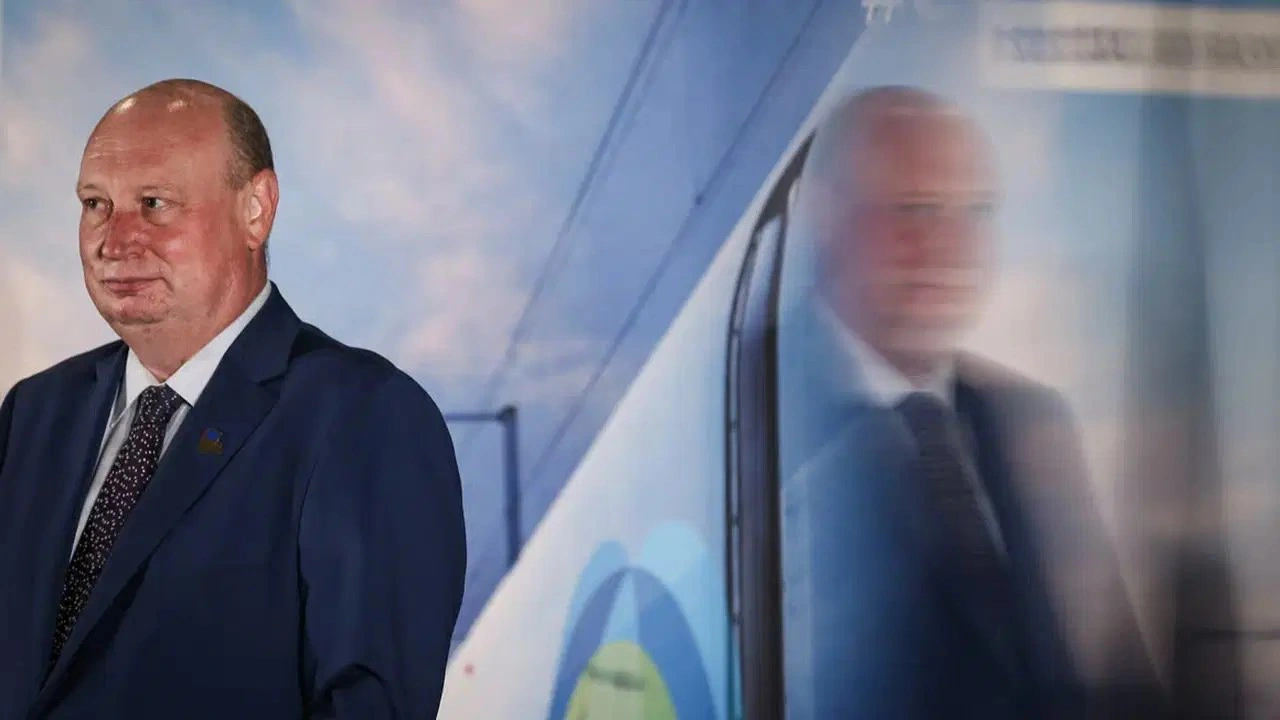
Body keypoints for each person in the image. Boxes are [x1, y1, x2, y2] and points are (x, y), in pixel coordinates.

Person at [0, 79, 466, 719]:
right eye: (95, 204)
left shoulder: (362, 415)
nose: (115, 240)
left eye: (155, 204)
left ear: (256, 209)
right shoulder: (34, 413)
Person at [777, 86, 1165, 718]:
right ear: (826, 214)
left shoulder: (1030, 420)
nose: (950, 246)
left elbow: (1117, 679)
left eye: (977, 213)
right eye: (916, 209)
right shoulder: (753, 407)